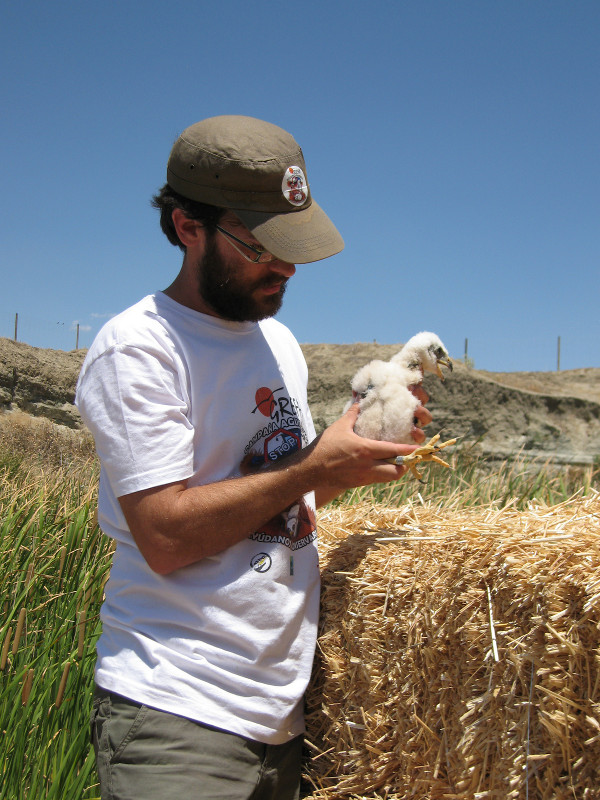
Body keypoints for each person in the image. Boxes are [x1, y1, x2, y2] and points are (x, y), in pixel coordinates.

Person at [75, 115, 432, 800]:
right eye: (262, 246)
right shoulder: (139, 350)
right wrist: (311, 469)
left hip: (282, 718)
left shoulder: (280, 344)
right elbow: (167, 534)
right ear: (188, 228)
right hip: (176, 715)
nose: (288, 267)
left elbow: (274, 503)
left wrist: (347, 463)